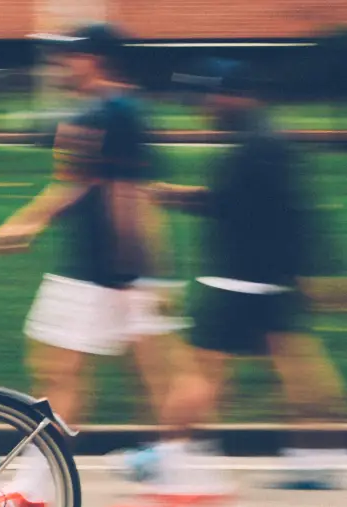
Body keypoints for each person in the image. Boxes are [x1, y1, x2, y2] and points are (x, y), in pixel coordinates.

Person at [0, 23, 187, 506]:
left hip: (108, 271)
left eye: (68, 56)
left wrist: (145, 271)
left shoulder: (118, 112)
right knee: (78, 373)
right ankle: (177, 474)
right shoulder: (106, 111)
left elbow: (130, 193)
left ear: (95, 59)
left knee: (67, 374)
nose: (61, 64)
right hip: (103, 269)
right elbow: (81, 183)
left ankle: (176, 476)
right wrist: (28, 223)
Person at [128, 57, 347, 496]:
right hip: (267, 281)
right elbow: (269, 208)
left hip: (237, 281)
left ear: (234, 94)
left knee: (201, 375)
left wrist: (171, 197)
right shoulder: (263, 138)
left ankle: (166, 456)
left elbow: (254, 208)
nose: (203, 106)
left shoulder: (257, 145)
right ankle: (310, 460)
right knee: (303, 371)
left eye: (208, 96)